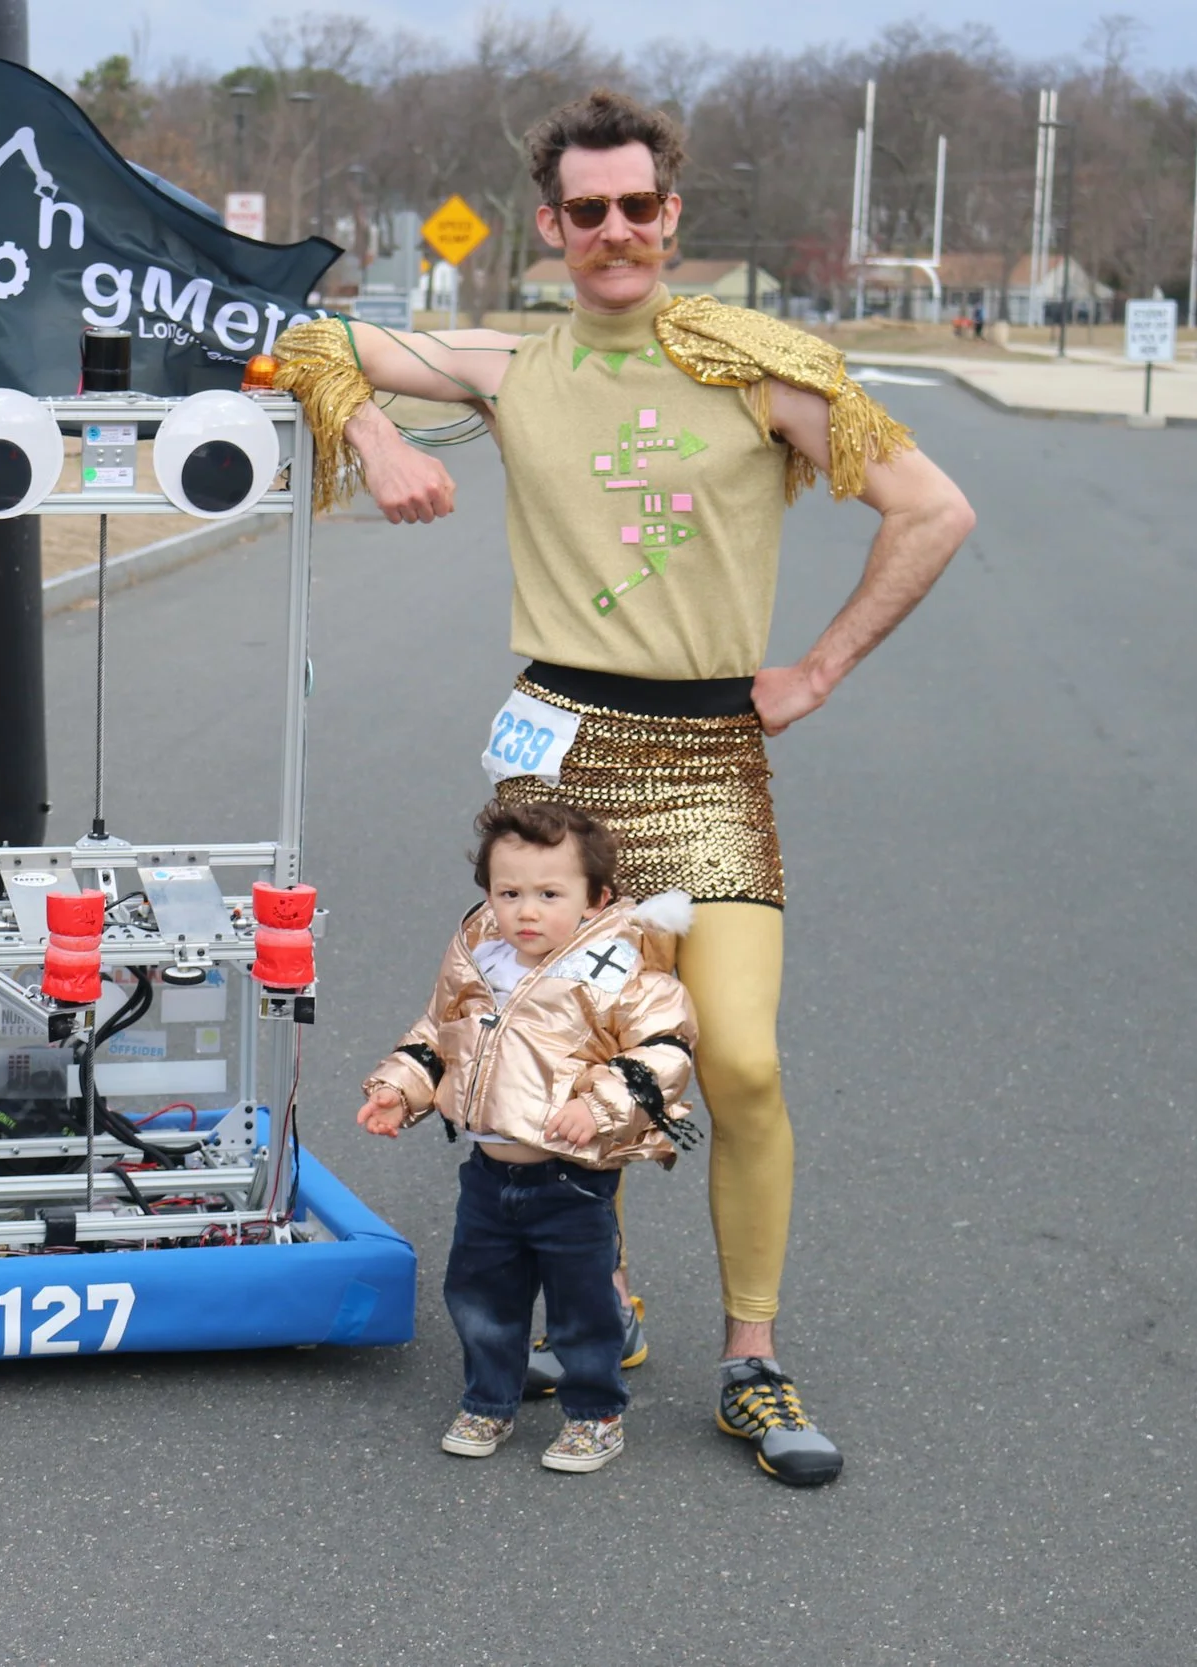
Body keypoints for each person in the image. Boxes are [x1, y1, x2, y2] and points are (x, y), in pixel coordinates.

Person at [275, 90, 975, 1487]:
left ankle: (752, 1360)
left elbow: (932, 506)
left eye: (637, 205)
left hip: (710, 762)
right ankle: (607, 1294)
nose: (615, 230)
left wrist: (816, 670)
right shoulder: (511, 365)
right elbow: (307, 338)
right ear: (550, 226)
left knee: (741, 1058)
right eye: (586, 210)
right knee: (562, 1050)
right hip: (567, 765)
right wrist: (381, 440)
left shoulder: (752, 368)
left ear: (671, 212)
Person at [357, 800, 697, 1474]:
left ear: (596, 899)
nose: (526, 912)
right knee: (480, 1296)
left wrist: (600, 1106)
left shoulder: (619, 970)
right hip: (489, 1174)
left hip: (571, 1180)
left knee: (583, 1306)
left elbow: (666, 1050)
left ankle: (594, 1413)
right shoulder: (481, 956)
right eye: (509, 893)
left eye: (549, 894)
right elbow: (438, 1034)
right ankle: (489, 1399)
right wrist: (401, 1087)